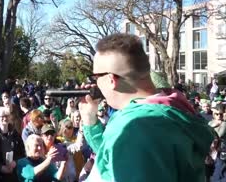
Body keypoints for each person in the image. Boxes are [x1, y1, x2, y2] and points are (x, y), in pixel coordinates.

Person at [79, 33, 214, 181]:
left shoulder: (136, 127)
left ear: (111, 80)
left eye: (96, 77)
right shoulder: (170, 106)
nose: (95, 83)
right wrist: (90, 122)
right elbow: (114, 159)